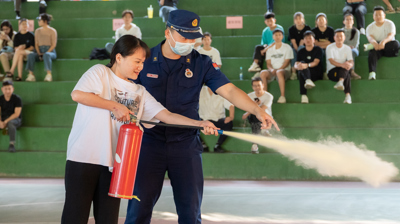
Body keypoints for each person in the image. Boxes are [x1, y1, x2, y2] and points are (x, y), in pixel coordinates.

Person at [125, 10, 279, 224]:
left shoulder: (201, 63)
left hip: (185, 146)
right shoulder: (145, 60)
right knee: (137, 213)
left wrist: (257, 110)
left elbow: (230, 91)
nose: (189, 42)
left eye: (193, 38)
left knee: (190, 214)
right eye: (184, 36)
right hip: (149, 145)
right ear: (168, 32)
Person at [61, 35, 218, 224]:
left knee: (108, 219)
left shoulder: (139, 92)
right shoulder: (100, 73)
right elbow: (78, 94)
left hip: (114, 164)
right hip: (84, 158)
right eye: (136, 61)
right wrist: (114, 105)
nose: (140, 67)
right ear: (119, 58)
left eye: (143, 62)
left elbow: (167, 116)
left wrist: (199, 123)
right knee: (75, 216)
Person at [259, 29, 293, 104]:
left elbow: (287, 62)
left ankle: (282, 96)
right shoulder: (269, 49)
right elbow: (268, 64)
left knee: (279, 72)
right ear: (273, 37)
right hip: (273, 71)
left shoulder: (287, 47)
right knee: (263, 73)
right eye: (276, 35)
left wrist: (278, 70)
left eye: (279, 35)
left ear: (282, 36)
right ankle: (265, 97)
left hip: (284, 71)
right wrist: (271, 70)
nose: (278, 37)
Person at [366, 6, 400, 80]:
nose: (378, 16)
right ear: (373, 16)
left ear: (384, 15)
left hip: (389, 48)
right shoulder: (369, 27)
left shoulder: (390, 23)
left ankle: (373, 46)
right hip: (378, 49)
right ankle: (372, 73)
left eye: (380, 14)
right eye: (376, 15)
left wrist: (383, 42)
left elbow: (391, 35)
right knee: (372, 52)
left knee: (396, 44)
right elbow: (370, 37)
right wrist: (375, 43)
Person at [242, 77, 273, 154]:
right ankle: (263, 132)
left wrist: (253, 107)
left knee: (256, 116)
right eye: (255, 86)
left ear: (263, 85)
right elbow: (247, 108)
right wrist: (250, 111)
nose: (257, 87)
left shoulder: (269, 96)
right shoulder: (249, 96)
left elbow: (262, 109)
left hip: (266, 117)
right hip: (254, 116)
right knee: (254, 116)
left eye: (259, 85)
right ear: (252, 87)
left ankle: (255, 144)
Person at [198, 86, 234, 152]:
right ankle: (202, 144)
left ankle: (218, 145)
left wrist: (231, 116)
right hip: (203, 121)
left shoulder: (222, 91)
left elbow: (230, 105)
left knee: (229, 124)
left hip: (218, 120)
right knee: (191, 124)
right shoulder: (200, 90)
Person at [25, 13, 57, 82]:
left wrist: (46, 52)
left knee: (47, 55)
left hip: (50, 51)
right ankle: (31, 75)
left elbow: (53, 45)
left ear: (45, 21)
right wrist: (39, 53)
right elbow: (36, 43)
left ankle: (49, 74)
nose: (38, 21)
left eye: (40, 20)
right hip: (39, 50)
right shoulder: (37, 31)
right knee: (31, 55)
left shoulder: (52, 31)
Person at [294, 30, 323, 104]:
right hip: (305, 73)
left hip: (316, 72)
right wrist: (297, 66)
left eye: (310, 38)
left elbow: (316, 63)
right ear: (303, 40)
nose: (308, 40)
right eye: (306, 38)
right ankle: (304, 95)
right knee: (301, 68)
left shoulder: (318, 49)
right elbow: (296, 63)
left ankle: (305, 89)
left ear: (314, 40)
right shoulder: (301, 51)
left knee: (302, 68)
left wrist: (306, 65)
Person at [326, 29, 354, 104]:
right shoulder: (330, 47)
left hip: (343, 72)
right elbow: (331, 61)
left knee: (346, 71)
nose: (339, 38)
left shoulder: (347, 48)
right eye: (337, 36)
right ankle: (347, 95)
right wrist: (343, 65)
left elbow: (351, 61)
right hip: (333, 72)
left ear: (344, 37)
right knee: (346, 71)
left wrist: (350, 65)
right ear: (334, 38)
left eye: (341, 36)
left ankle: (347, 95)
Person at [0, 80, 22, 153]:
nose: (7, 91)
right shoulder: (0, 99)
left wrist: (5, 122)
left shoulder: (17, 99)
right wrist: (0, 122)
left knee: (11, 123)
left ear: (13, 89)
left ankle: (12, 144)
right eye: (6, 89)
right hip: (3, 118)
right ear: (2, 89)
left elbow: (16, 114)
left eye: (9, 89)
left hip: (15, 119)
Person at [288, 12, 311, 80]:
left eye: (300, 18)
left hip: (305, 47)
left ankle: (303, 69)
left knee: (301, 47)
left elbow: (306, 40)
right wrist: (298, 50)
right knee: (292, 51)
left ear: (303, 20)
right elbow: (293, 42)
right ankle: (294, 73)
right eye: (296, 19)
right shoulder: (291, 29)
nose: (298, 20)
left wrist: (301, 46)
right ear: (294, 20)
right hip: (295, 47)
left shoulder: (307, 28)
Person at [343, 13, 361, 80]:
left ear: (353, 21)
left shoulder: (356, 31)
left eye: (350, 19)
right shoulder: (341, 31)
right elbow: (340, 43)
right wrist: (347, 47)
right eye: (347, 19)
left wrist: (348, 47)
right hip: (343, 49)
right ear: (344, 21)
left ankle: (352, 71)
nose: (348, 21)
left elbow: (355, 44)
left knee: (351, 51)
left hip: (354, 49)